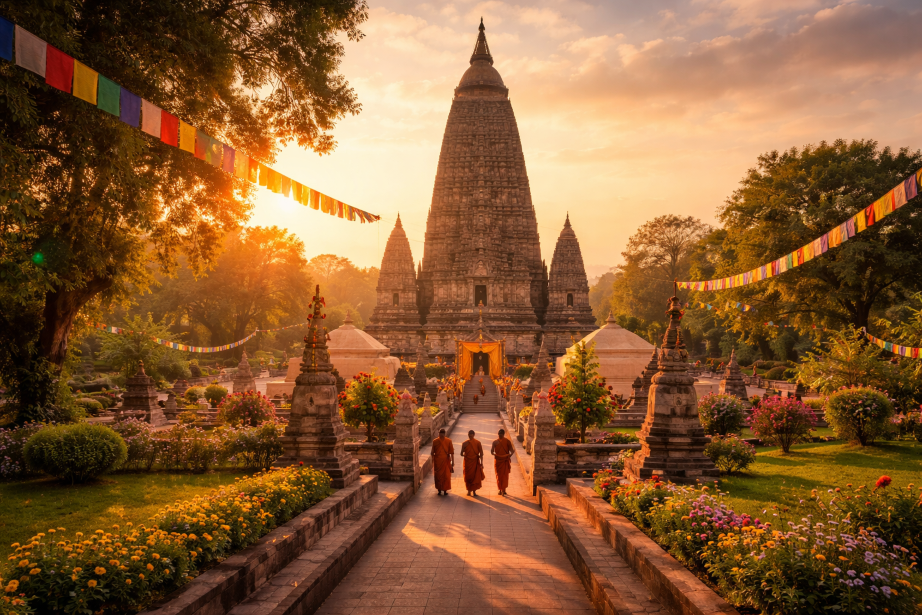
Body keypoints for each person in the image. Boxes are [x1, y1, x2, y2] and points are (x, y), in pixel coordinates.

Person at [490, 428, 515, 496]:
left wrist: (509, 455)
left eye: (501, 434)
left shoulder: (507, 441)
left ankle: (504, 490)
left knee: (505, 476)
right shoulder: (495, 442)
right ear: (498, 434)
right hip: (498, 461)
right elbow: (492, 451)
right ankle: (500, 489)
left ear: (503, 434)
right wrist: (494, 453)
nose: (500, 436)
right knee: (499, 476)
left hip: (504, 461)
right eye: (499, 434)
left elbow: (512, 450)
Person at [460, 430, 485, 496]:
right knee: (468, 476)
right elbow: (461, 453)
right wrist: (466, 455)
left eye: (471, 435)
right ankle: (469, 491)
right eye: (469, 435)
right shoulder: (464, 443)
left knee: (475, 476)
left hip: (475, 462)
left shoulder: (478, 443)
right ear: (468, 435)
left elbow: (481, 453)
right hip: (467, 462)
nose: (470, 436)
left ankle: (474, 491)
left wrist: (482, 463)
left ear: (474, 435)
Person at [431, 428, 454, 495]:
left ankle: (445, 490)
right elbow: (432, 452)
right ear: (439, 434)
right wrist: (432, 461)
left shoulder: (448, 441)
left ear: (444, 434)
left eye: (442, 433)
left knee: (446, 476)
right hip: (438, 461)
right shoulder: (435, 441)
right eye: (440, 433)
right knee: (438, 476)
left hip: (446, 461)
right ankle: (439, 490)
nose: (441, 435)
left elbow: (452, 452)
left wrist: (453, 462)